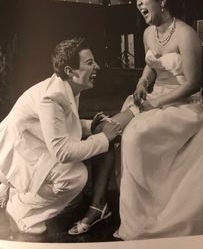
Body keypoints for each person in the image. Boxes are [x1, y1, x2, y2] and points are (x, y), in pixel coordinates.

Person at [70, 0, 203, 240]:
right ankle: (105, 207)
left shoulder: (186, 34)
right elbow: (151, 65)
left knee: (134, 137)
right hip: (152, 99)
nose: (138, 2)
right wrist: (141, 83)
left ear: (163, 0)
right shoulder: (148, 33)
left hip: (184, 107)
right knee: (111, 128)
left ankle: (151, 219)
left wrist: (157, 103)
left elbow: (193, 84)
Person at [0, 37, 122, 234]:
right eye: (90, 63)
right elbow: (62, 152)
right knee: (75, 177)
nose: (97, 67)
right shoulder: (52, 97)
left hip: (34, 142)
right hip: (19, 149)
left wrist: (92, 126)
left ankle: (17, 190)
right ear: (70, 71)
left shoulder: (69, 86)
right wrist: (103, 138)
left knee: (71, 194)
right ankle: (21, 207)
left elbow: (59, 126)